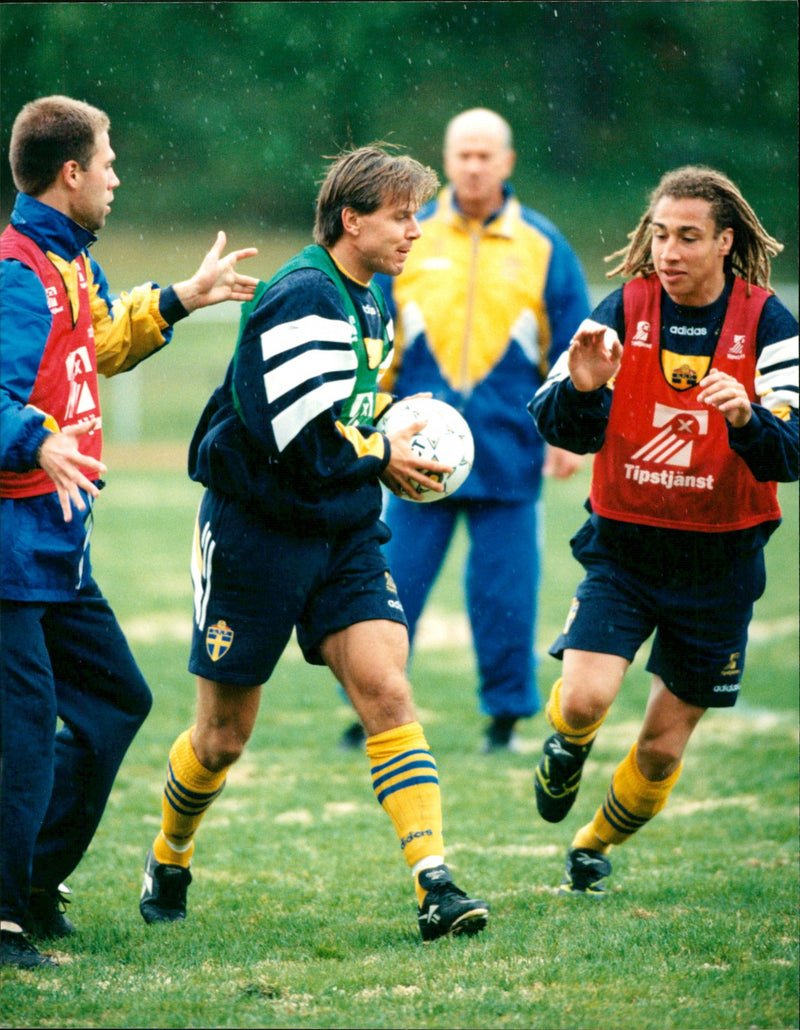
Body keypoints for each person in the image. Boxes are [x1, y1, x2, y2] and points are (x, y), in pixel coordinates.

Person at [137, 145, 490, 944]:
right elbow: (303, 445)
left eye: (416, 216)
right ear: (351, 219)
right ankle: (169, 853)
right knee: (223, 736)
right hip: (259, 531)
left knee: (387, 691)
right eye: (400, 216)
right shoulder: (304, 298)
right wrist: (383, 454)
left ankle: (435, 881)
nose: (414, 232)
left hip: (341, 531)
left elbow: (347, 425)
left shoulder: (371, 301)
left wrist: (388, 438)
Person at [0, 94, 259, 969]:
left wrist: (181, 298)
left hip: (53, 549)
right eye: (107, 162)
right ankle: (4, 915)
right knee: (29, 734)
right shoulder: (16, 270)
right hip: (8, 546)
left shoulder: (69, 262)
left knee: (116, 703)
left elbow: (103, 345)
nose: (116, 177)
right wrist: (37, 437)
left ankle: (34, 879)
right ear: (70, 173)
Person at [529, 165, 798, 896]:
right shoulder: (625, 307)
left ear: (724, 242)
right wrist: (584, 388)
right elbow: (555, 419)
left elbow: (795, 447)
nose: (669, 252)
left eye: (687, 238)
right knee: (584, 698)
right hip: (625, 549)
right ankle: (566, 745)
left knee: (657, 752)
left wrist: (748, 417)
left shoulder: (769, 323)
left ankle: (593, 844)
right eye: (659, 235)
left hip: (720, 566)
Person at [340, 108, 591, 754]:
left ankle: (505, 718)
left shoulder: (543, 244)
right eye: (463, 155)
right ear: (447, 161)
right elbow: (377, 332)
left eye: (486, 155)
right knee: (390, 585)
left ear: (507, 162)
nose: (474, 165)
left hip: (510, 453)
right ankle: (369, 707)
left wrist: (569, 429)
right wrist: (368, 422)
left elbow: (576, 344)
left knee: (505, 595)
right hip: (409, 456)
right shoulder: (409, 235)